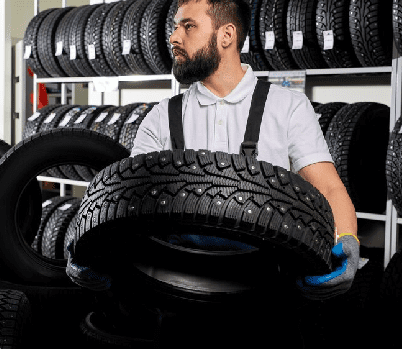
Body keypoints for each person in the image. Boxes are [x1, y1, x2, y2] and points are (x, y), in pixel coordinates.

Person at [130, 0, 359, 302]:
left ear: (226, 36)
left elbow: (328, 187)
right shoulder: (161, 116)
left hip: (265, 293)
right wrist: (95, 242)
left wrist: (348, 240)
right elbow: (129, 198)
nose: (174, 38)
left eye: (188, 26)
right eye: (175, 27)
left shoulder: (288, 107)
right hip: (178, 292)